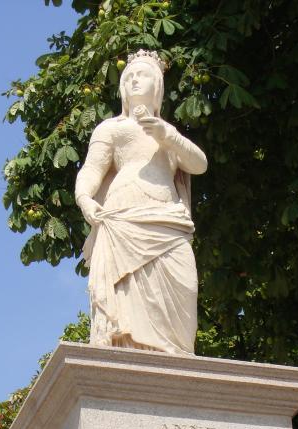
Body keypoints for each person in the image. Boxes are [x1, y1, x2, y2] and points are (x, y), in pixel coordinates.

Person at [75, 50, 207, 355]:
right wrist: (84, 199)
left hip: (168, 222)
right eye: (128, 77)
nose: (134, 80)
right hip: (123, 220)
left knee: (184, 290)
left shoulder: (168, 134)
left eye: (142, 75)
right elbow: (92, 170)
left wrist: (167, 135)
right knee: (125, 306)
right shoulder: (111, 129)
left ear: (157, 86)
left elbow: (199, 164)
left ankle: (174, 366)